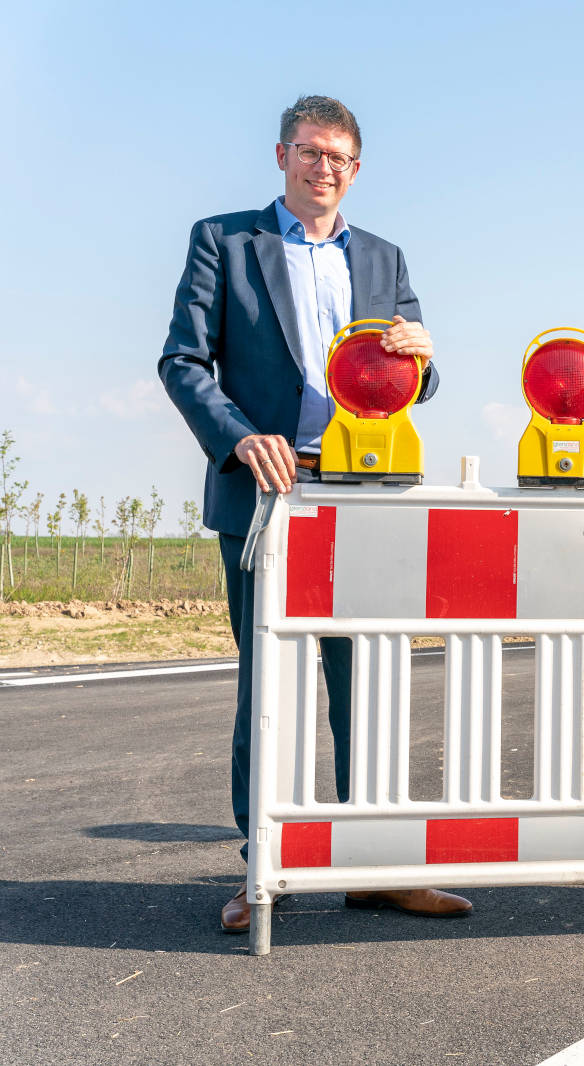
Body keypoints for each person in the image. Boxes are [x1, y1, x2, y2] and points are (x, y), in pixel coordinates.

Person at [159, 95, 471, 932]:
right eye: (309, 151)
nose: (322, 166)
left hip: (365, 498)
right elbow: (183, 362)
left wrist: (425, 358)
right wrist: (237, 440)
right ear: (281, 156)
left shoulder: (384, 257)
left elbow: (413, 383)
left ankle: (378, 869)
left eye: (338, 155)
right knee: (269, 687)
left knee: (365, 684)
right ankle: (262, 868)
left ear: (356, 169)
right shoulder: (223, 240)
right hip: (267, 493)